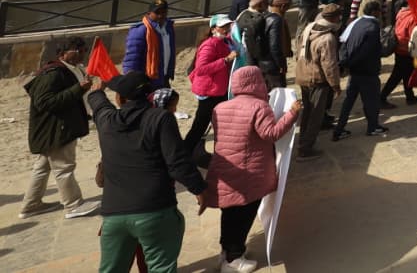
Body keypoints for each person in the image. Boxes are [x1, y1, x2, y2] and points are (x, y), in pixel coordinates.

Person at [91, 71, 208, 273]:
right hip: (155, 210)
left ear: (119, 98)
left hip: (114, 215)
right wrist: (199, 189)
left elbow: (98, 103)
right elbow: (177, 161)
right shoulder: (161, 118)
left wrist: (98, 90)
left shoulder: (106, 120)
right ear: (149, 95)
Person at [204, 66, 302, 272]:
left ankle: (226, 252)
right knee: (244, 216)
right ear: (256, 82)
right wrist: (292, 114)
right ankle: (234, 259)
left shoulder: (220, 107)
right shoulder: (259, 107)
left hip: (225, 170)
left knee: (229, 213)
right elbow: (271, 134)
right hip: (249, 173)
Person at [20, 36, 99, 220]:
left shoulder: (72, 69)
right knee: (64, 167)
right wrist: (78, 89)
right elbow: (44, 102)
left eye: (84, 50)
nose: (82, 54)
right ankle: (73, 205)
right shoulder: (53, 73)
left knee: (42, 167)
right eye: (78, 51)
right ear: (63, 54)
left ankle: (31, 205)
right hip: (55, 129)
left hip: (56, 128)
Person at [333, 0, 388, 140]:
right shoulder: (373, 27)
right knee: (372, 100)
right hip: (367, 70)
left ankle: (339, 129)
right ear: (375, 12)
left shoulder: (355, 23)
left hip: (354, 70)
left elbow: (343, 44)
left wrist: (346, 63)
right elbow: (367, 51)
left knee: (348, 101)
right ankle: (373, 127)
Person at [294, 3, 342, 160]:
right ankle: (305, 149)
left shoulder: (309, 27)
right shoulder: (328, 38)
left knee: (307, 112)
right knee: (315, 116)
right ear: (335, 18)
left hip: (303, 75)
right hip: (317, 79)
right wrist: (335, 85)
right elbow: (329, 65)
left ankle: (302, 142)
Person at [185, 15, 238, 155]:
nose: (226, 29)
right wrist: (226, 60)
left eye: (227, 26)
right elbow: (201, 69)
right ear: (213, 29)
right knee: (200, 125)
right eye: (222, 26)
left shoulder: (227, 40)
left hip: (221, 89)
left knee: (220, 124)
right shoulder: (209, 44)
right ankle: (185, 152)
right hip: (210, 92)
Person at [123, 0, 177, 89]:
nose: (160, 15)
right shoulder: (140, 30)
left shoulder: (168, 28)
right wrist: (131, 82)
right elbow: (132, 59)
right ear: (149, 13)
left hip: (164, 78)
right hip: (147, 80)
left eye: (164, 12)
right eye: (157, 12)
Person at [380, 0, 417, 107]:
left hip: (398, 47)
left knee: (406, 73)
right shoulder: (413, 18)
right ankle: (382, 97)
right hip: (406, 49)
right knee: (397, 75)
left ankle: (409, 96)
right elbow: (413, 36)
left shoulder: (401, 13)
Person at [260, 0, 291, 90]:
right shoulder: (277, 20)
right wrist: (281, 64)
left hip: (264, 63)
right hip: (273, 65)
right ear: (283, 6)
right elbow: (275, 46)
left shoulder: (264, 16)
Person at [233, 0, 269, 70]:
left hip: (242, 53)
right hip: (251, 56)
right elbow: (253, 41)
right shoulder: (257, 18)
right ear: (260, 5)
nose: (267, 6)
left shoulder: (242, 14)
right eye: (266, 3)